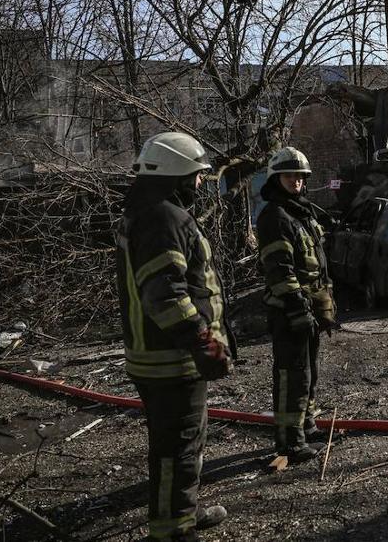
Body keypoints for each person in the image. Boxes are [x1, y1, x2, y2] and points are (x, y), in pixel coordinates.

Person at [116, 132, 232, 541]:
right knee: (176, 450)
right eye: (197, 175)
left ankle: (185, 510)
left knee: (185, 443)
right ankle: (173, 531)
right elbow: (165, 294)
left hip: (160, 355)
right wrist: (202, 341)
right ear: (177, 174)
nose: (200, 183)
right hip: (171, 359)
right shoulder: (163, 218)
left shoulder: (147, 211)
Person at [256, 146, 339, 464]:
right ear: (277, 179)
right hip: (289, 311)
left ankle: (308, 426)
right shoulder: (274, 217)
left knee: (309, 373)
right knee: (293, 376)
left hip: (309, 309)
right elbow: (280, 270)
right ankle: (290, 441)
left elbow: (317, 264)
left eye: (301, 177)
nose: (297, 182)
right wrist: (296, 309)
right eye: (290, 176)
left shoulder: (300, 213)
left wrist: (324, 305)